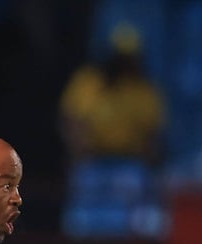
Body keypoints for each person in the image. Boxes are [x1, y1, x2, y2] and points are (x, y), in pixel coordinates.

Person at [58, 23, 167, 166]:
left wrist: (150, 160)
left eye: (128, 58)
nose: (123, 64)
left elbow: (154, 132)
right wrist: (78, 149)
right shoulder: (90, 81)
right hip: (92, 160)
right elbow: (71, 118)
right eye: (119, 57)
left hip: (130, 162)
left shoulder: (144, 89)